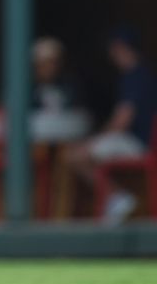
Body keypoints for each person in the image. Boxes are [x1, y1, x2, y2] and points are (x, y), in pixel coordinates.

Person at [65, 27, 157, 224]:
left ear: (122, 48)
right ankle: (115, 197)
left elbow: (121, 121)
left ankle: (117, 196)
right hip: (135, 141)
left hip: (137, 143)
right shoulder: (139, 74)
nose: (112, 54)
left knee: (75, 155)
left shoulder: (136, 75)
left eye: (114, 49)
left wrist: (94, 140)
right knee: (77, 152)